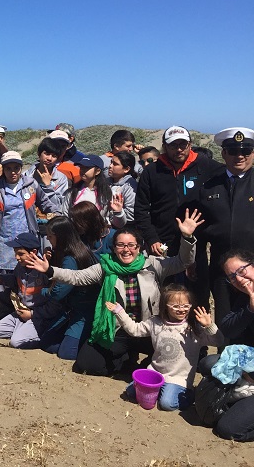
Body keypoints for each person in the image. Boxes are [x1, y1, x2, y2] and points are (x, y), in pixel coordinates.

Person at [25, 212, 204, 377]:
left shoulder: (154, 264)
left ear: (139, 246)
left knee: (171, 357)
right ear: (114, 247)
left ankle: (143, 362)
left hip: (150, 329)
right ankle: (126, 360)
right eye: (120, 245)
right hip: (118, 328)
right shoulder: (105, 267)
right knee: (87, 364)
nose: (126, 250)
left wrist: (187, 237)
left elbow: (183, 261)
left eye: (131, 245)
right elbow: (77, 277)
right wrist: (50, 270)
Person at [107, 284, 220, 411]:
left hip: (178, 378)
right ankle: (160, 389)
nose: (181, 310)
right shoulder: (156, 323)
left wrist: (209, 325)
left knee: (167, 404)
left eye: (186, 306)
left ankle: (190, 395)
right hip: (155, 372)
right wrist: (120, 312)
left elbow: (218, 341)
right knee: (131, 392)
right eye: (176, 306)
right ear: (166, 306)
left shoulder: (194, 329)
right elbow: (135, 330)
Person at [0, 151, 60, 319]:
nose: (13, 172)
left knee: (26, 279)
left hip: (26, 242)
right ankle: (3, 315)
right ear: (3, 170)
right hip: (2, 240)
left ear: (21, 168)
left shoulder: (31, 185)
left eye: (16, 168)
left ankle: (26, 314)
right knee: (1, 281)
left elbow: (46, 204)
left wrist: (57, 215)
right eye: (9, 168)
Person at [134, 126, 219, 262]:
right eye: (173, 145)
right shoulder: (151, 171)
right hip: (161, 243)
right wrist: (151, 238)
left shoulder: (206, 165)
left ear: (190, 145)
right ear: (164, 146)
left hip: (197, 241)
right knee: (164, 283)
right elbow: (141, 209)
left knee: (197, 282)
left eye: (183, 144)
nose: (179, 149)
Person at [197, 127, 254, 323]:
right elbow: (200, 232)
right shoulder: (208, 187)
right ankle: (225, 355)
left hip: (253, 270)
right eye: (233, 151)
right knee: (225, 322)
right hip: (221, 271)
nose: (240, 156)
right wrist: (196, 264)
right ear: (223, 153)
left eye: (246, 151)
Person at [198, 251, 254, 441]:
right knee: (208, 364)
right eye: (232, 276)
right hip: (249, 364)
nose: (239, 278)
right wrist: (249, 310)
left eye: (241, 270)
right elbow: (228, 329)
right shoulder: (245, 298)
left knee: (227, 429)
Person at [38, 214, 98, 360]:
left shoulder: (71, 259)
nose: (48, 240)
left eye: (50, 237)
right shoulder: (77, 250)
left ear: (60, 236)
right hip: (71, 309)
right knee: (46, 342)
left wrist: (42, 291)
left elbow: (58, 292)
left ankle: (90, 344)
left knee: (67, 353)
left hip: (83, 312)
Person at [0, 232, 53, 348]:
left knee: (16, 342)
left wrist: (33, 314)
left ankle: (40, 336)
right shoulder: (20, 267)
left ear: (33, 252)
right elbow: (15, 280)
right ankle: (23, 330)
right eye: (15, 253)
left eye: (20, 254)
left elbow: (53, 301)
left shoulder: (44, 271)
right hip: (21, 312)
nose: (16, 257)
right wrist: (1, 279)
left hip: (37, 316)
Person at [64, 155, 126, 229]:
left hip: (100, 236)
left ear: (97, 171)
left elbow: (120, 224)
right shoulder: (72, 192)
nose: (82, 170)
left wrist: (118, 213)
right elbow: (65, 215)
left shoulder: (108, 193)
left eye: (87, 168)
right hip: (77, 235)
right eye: (81, 167)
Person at [108, 151, 138, 223]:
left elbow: (131, 214)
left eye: (115, 164)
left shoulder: (130, 187)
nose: (110, 166)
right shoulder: (107, 182)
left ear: (126, 169)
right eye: (111, 162)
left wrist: (115, 216)